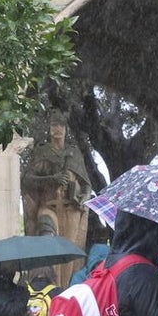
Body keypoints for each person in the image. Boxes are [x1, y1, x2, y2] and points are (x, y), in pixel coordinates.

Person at [21, 108, 91, 285]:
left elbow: (87, 185)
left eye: (60, 125)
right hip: (48, 206)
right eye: (53, 125)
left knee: (70, 252)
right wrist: (51, 179)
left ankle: (66, 289)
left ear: (66, 129)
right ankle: (48, 285)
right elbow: (27, 179)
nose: (57, 129)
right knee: (47, 239)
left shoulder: (74, 153)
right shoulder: (42, 152)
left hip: (70, 210)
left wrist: (82, 198)